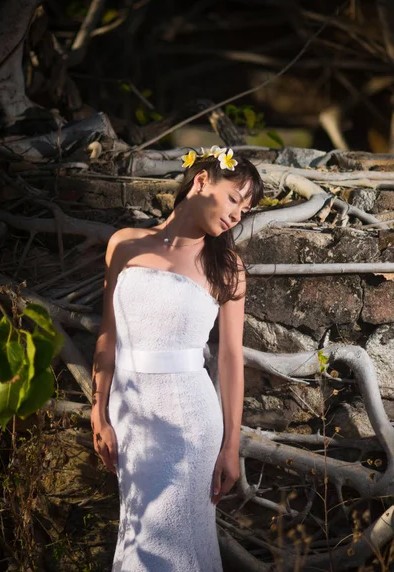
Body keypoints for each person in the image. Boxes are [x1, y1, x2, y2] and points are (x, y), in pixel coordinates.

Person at [91, 146, 263, 572]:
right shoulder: (124, 244)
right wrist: (98, 411)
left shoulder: (226, 268)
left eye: (247, 208)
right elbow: (109, 334)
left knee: (170, 543)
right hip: (130, 417)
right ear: (202, 181)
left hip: (188, 423)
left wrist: (231, 445)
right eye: (234, 198)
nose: (238, 214)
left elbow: (229, 360)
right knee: (137, 535)